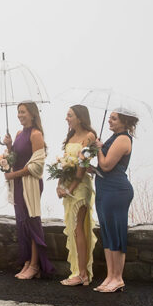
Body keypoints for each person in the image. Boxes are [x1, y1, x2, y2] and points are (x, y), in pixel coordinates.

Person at [3, 101, 53, 279]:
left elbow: (37, 166)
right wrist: (8, 146)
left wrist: (13, 175)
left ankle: (35, 265)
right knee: (22, 222)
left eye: (23, 112)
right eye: (18, 112)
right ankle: (26, 262)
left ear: (32, 114)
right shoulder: (18, 134)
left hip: (30, 184)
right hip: (18, 184)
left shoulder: (36, 135)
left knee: (32, 221)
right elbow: (15, 158)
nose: (19, 115)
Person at [93, 111, 137, 293]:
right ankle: (110, 275)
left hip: (117, 190)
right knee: (107, 231)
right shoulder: (114, 137)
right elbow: (102, 168)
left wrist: (97, 149)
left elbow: (107, 165)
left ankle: (118, 278)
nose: (109, 121)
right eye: (109, 117)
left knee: (116, 231)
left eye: (114, 118)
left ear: (124, 121)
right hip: (104, 189)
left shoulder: (123, 139)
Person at [57, 105, 98, 287]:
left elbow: (82, 166)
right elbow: (64, 163)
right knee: (72, 226)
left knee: (78, 227)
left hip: (80, 187)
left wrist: (71, 188)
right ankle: (77, 270)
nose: (67, 118)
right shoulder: (71, 137)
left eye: (70, 115)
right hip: (68, 186)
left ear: (80, 118)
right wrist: (59, 185)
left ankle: (82, 274)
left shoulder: (89, 136)